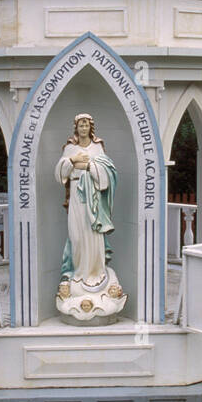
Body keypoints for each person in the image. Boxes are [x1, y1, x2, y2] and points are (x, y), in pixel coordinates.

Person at [55, 113, 117, 294]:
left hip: (93, 197)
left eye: (86, 125)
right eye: (80, 125)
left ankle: (96, 271)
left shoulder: (97, 148)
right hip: (75, 194)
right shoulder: (70, 148)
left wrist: (89, 166)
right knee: (76, 234)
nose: (83, 129)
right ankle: (79, 271)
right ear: (76, 127)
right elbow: (59, 175)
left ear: (91, 128)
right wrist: (72, 161)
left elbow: (108, 172)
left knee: (93, 233)